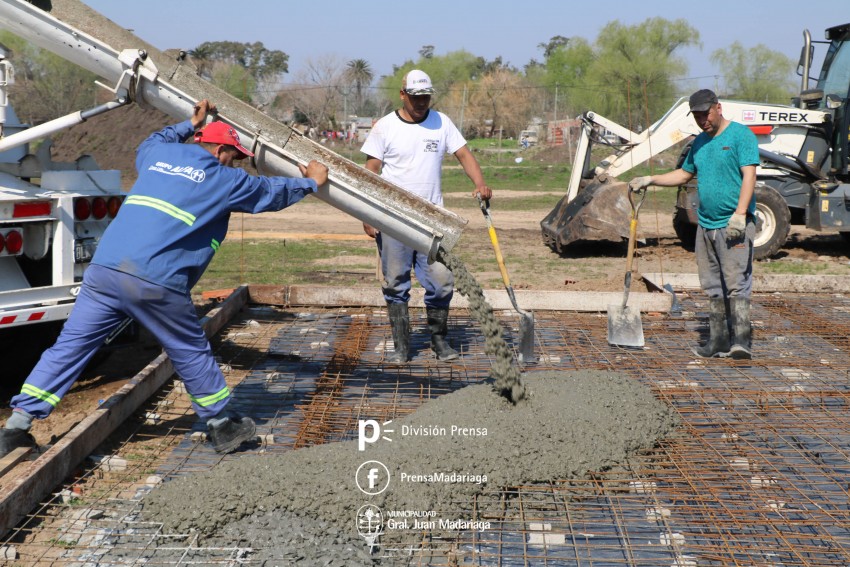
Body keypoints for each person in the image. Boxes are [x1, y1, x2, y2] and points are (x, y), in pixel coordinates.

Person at [0, 100, 329, 457]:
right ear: (221, 150)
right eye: (234, 156)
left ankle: (17, 425)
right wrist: (310, 181)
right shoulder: (224, 179)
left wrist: (190, 122)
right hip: (157, 280)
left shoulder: (158, 156)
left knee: (70, 347)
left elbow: (153, 139)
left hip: (105, 271)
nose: (234, 163)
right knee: (189, 349)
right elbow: (271, 193)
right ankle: (222, 424)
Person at [361, 69, 492, 364]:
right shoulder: (385, 127)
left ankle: (438, 340)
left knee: (442, 281)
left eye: (426, 97)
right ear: (403, 94)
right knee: (395, 282)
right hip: (393, 217)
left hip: (433, 221)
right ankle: (402, 345)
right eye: (416, 97)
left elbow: (464, 155)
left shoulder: (441, 122)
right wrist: (367, 214)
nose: (422, 103)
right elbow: (370, 172)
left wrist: (480, 184)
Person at [629, 89, 758, 359]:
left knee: (736, 283)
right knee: (712, 285)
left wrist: (740, 214)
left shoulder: (740, 136)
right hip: (706, 226)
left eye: (705, 114)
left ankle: (742, 342)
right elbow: (684, 174)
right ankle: (719, 341)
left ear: (718, 108)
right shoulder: (699, 143)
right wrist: (649, 179)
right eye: (697, 116)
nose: (702, 120)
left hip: (733, 225)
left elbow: (749, 176)